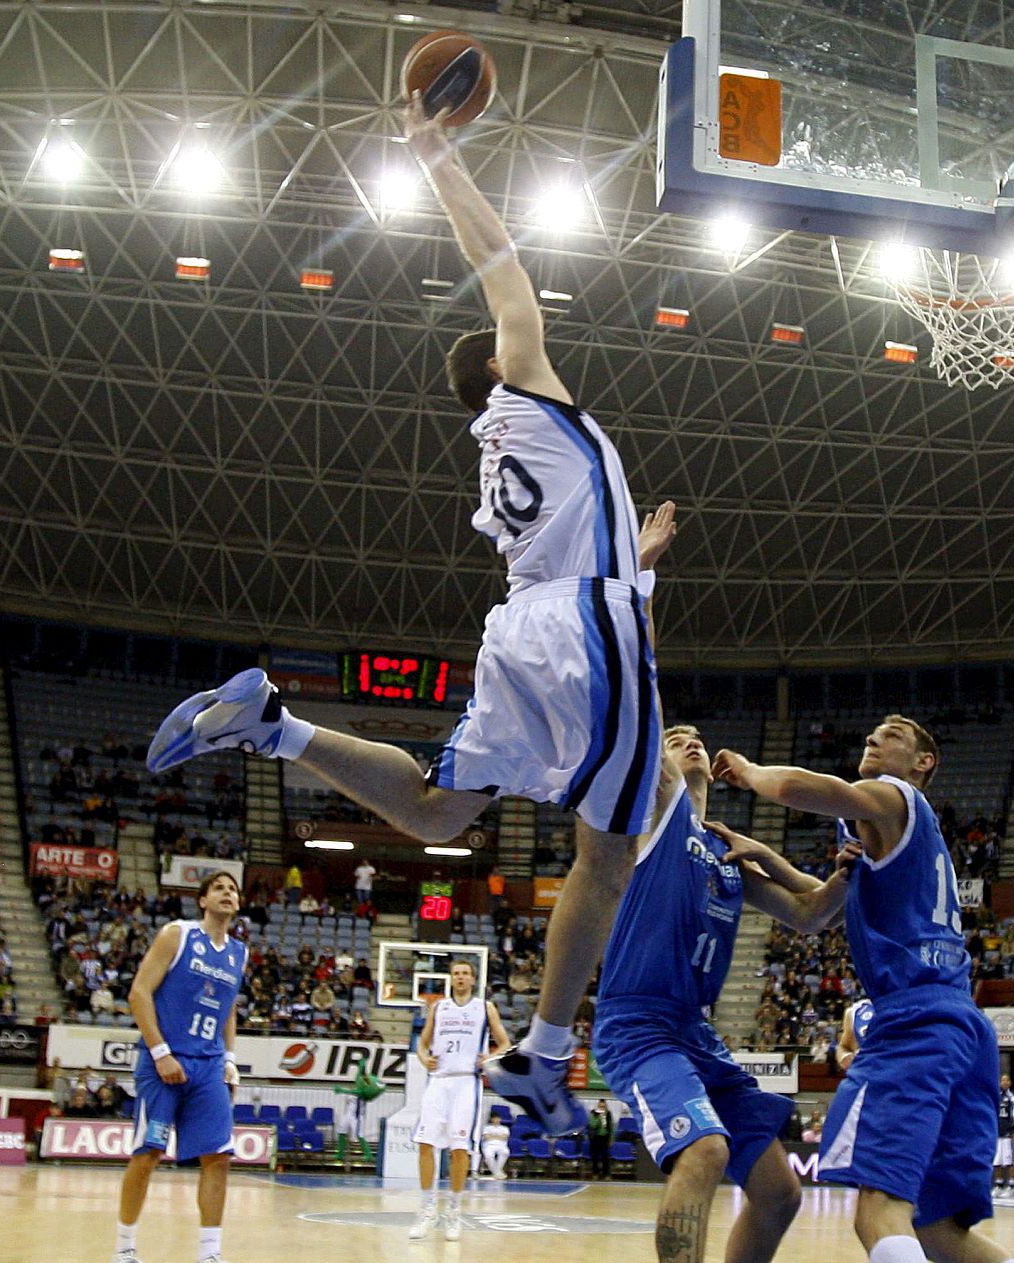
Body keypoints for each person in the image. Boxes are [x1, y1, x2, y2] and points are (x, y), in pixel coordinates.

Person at [144, 94, 677, 1137]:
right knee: (611, 850)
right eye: (508, 341)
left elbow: (573, 535)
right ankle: (543, 1057)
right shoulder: (525, 389)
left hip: (532, 622)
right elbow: (500, 260)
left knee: (440, 813)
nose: (524, 333)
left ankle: (276, 726)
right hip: (580, 622)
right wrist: (435, 153)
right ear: (494, 368)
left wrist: (632, 565)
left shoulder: (502, 452)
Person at [714, 717, 1014, 1263]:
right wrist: (767, 856)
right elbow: (823, 911)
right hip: (961, 1029)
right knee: (938, 1232)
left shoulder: (893, 797)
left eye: (894, 735)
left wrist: (751, 772)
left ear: (923, 762)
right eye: (872, 733)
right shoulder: (885, 839)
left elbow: (797, 789)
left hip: (914, 1022)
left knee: (878, 1212)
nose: (873, 738)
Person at [595, 724, 858, 1263]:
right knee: (705, 1150)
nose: (690, 739)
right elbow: (644, 743)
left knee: (778, 1193)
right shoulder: (652, 819)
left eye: (696, 736)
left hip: (695, 1030)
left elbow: (809, 916)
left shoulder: (726, 850)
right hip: (640, 1025)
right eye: (675, 737)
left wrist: (847, 876)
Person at [112, 872, 246, 1263]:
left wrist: (230, 1059)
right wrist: (160, 1052)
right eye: (219, 888)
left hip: (208, 1066)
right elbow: (138, 992)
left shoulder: (240, 952)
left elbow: (228, 1007)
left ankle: (210, 1254)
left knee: (218, 1158)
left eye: (233, 889)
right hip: (164, 1061)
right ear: (202, 900)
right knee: (148, 1153)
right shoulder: (178, 934)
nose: (227, 893)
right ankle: (124, 1249)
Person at [410, 960, 511, 1241]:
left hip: (467, 1081)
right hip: (439, 1081)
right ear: (451, 979)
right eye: (456, 974)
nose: (460, 978)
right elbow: (422, 1043)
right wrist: (423, 1058)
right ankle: (427, 1208)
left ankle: (454, 1212)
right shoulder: (439, 1007)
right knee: (425, 1143)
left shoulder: (485, 1007)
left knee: (459, 1149)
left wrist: (490, 1057)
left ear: (473, 978)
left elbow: (505, 1043)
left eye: (465, 973)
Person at [333, 1064, 385, 1166]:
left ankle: (368, 1155)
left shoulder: (364, 1092)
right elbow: (358, 1078)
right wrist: (361, 1067)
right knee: (341, 1131)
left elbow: (359, 1091)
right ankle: (340, 1154)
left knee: (359, 1135)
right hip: (348, 1113)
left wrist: (342, 1090)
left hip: (357, 1116)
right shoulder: (358, 1084)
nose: (361, 1080)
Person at [994, 1074, 1014, 1194]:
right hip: (996, 1133)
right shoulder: (995, 1095)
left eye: (1007, 1080)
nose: (1004, 1082)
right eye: (1002, 1080)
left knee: (1010, 1160)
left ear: (1010, 1082)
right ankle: (998, 1185)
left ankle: (1012, 1185)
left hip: (1009, 1134)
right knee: (997, 1161)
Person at [837, 998, 873, 1073]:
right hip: (867, 1075)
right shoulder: (855, 1012)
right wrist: (845, 1056)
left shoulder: (902, 1007)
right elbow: (843, 1047)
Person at [481, 1112, 512, 1180]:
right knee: (488, 1156)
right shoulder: (486, 1127)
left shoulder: (505, 1128)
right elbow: (487, 1137)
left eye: (498, 1118)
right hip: (489, 1145)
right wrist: (499, 1136)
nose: (496, 1120)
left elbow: (505, 1137)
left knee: (505, 1152)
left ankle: (496, 1173)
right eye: (495, 1118)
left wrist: (493, 1135)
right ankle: (498, 1173)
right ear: (492, 1119)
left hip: (501, 1145)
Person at [587, 1100, 614, 1178]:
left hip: (605, 1137)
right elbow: (592, 1125)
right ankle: (595, 1173)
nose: (602, 1108)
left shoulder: (608, 1114)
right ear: (598, 1106)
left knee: (605, 1156)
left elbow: (611, 1127)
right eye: (600, 1106)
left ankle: (606, 1174)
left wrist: (611, 1138)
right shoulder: (593, 1113)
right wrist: (599, 1117)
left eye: (603, 1107)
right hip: (595, 1137)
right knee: (594, 1156)